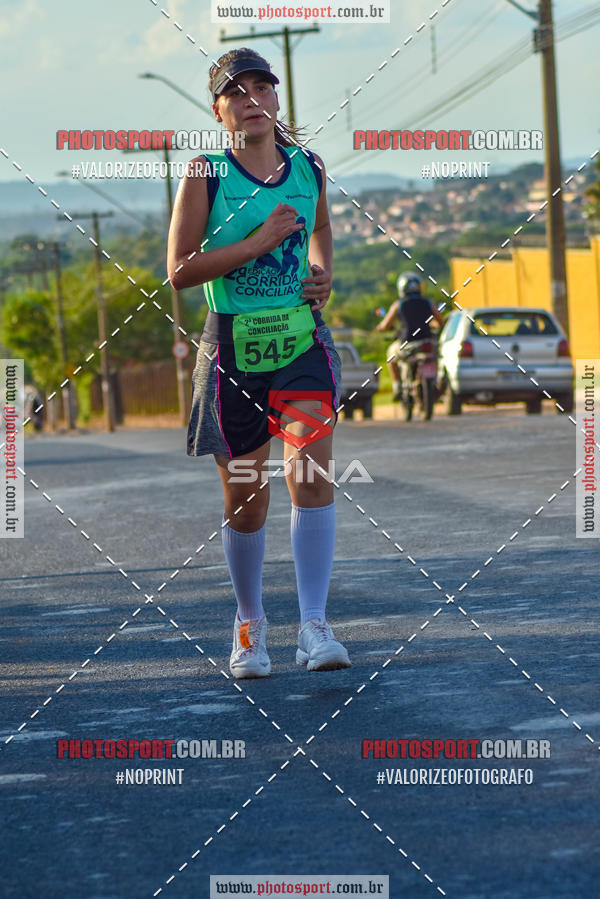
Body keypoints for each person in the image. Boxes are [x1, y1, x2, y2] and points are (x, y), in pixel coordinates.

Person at [167, 48, 351, 679]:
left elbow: (321, 227)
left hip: (300, 343)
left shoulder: (309, 166)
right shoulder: (205, 173)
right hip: (234, 347)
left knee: (310, 476)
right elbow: (181, 269)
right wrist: (258, 243)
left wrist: (322, 271)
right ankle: (249, 624)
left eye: (260, 86)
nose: (250, 98)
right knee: (248, 495)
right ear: (218, 110)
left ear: (276, 99)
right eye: (234, 91)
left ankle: (315, 625)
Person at [376, 272, 444, 401]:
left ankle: (397, 385)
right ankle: (436, 383)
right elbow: (441, 322)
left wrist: (381, 327)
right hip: (427, 340)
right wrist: (433, 325)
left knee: (390, 355)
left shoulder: (399, 304)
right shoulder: (428, 303)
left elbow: (386, 325)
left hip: (407, 343)